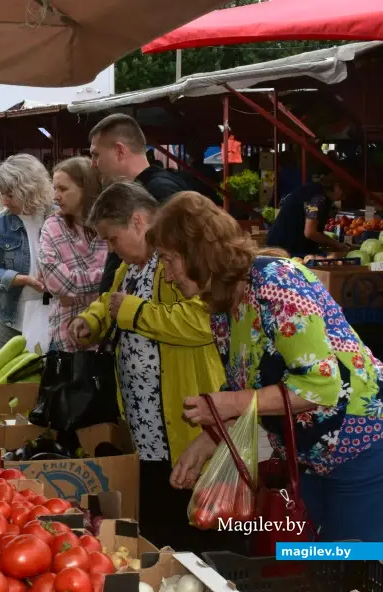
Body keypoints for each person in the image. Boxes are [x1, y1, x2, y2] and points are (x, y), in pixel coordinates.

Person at [151, 192, 383, 543]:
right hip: (308, 457)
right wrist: (209, 438)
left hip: (360, 445)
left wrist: (227, 405)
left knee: (354, 565)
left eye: (169, 260)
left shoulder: (277, 282)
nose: (167, 275)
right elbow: (248, 384)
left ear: (196, 250)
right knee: (313, 562)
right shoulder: (223, 307)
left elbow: (320, 386)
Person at [67, 182, 241, 553]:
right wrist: (91, 321)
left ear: (137, 221)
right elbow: (111, 301)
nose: (112, 249)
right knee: (158, 505)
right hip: (145, 423)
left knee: (188, 506)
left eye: (113, 239)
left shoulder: (178, 265)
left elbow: (201, 321)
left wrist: (133, 312)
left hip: (181, 416)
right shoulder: (132, 268)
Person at [88, 113, 193, 294]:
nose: (93, 164)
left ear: (120, 150)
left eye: (96, 155)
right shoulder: (149, 188)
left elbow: (184, 263)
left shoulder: (161, 191)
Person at [0, 154, 51, 349]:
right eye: (2, 194)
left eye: (10, 194)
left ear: (30, 189)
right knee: (9, 379)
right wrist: (23, 279)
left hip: (57, 318)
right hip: (12, 322)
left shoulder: (58, 217)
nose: (5, 201)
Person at [38, 157, 107, 352]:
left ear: (86, 188)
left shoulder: (110, 225)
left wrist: (74, 288)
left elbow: (126, 276)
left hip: (107, 339)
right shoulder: (53, 227)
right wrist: (106, 277)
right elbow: (59, 284)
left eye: (63, 189)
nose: (56, 196)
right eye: (55, 188)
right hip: (66, 339)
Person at [266, 173, 350, 257]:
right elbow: (310, 233)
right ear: (336, 187)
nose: (344, 198)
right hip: (284, 248)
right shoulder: (317, 197)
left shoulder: (314, 192)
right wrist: (334, 243)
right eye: (344, 192)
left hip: (285, 245)